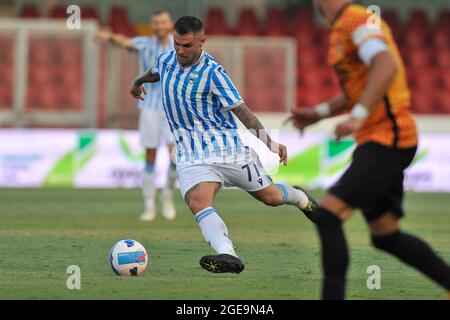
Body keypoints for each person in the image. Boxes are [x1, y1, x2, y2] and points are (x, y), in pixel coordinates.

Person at [287, 0, 450, 299]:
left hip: (390, 138)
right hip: (376, 140)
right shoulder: (340, 27)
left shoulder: (358, 20)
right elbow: (357, 89)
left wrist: (358, 115)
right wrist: (320, 112)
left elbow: (385, 64)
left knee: (328, 216)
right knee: (386, 235)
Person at [130, 16, 316, 274]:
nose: (180, 51)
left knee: (271, 197)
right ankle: (228, 255)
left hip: (230, 151)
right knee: (198, 202)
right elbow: (154, 72)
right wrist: (138, 82)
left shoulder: (214, 74)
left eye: (186, 45)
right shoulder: (166, 59)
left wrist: (269, 143)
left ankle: (300, 197)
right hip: (192, 154)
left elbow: (242, 111)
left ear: (202, 41)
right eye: (177, 45)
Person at [95, 10, 177, 221]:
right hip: (149, 106)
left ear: (170, 25)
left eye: (163, 22)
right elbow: (125, 43)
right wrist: (110, 36)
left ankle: (167, 196)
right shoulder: (145, 43)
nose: (159, 26)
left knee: (175, 157)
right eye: (156, 22)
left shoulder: (177, 45)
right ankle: (149, 204)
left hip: (173, 109)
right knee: (150, 156)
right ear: (153, 26)